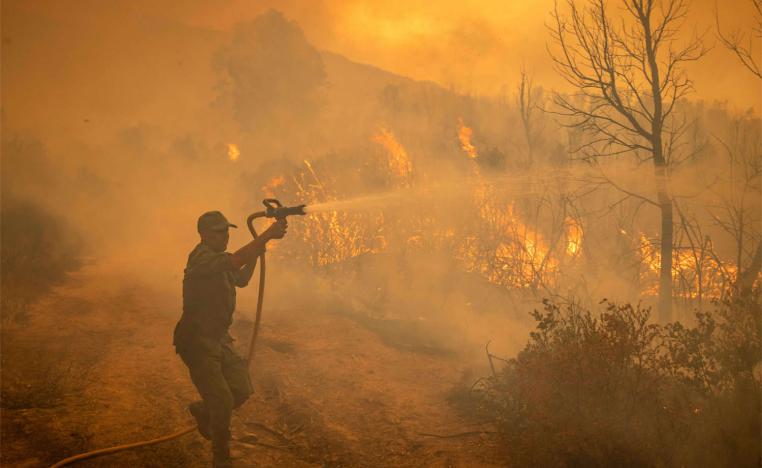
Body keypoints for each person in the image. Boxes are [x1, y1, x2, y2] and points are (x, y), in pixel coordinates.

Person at [173, 210, 287, 467]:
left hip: (218, 338)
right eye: (219, 231)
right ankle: (220, 459)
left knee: (241, 389)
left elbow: (243, 279)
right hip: (197, 342)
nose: (225, 235)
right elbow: (235, 261)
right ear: (203, 235)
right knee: (222, 401)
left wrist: (258, 252)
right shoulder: (201, 259)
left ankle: (204, 410)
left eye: (227, 231)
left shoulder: (219, 260)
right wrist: (267, 235)